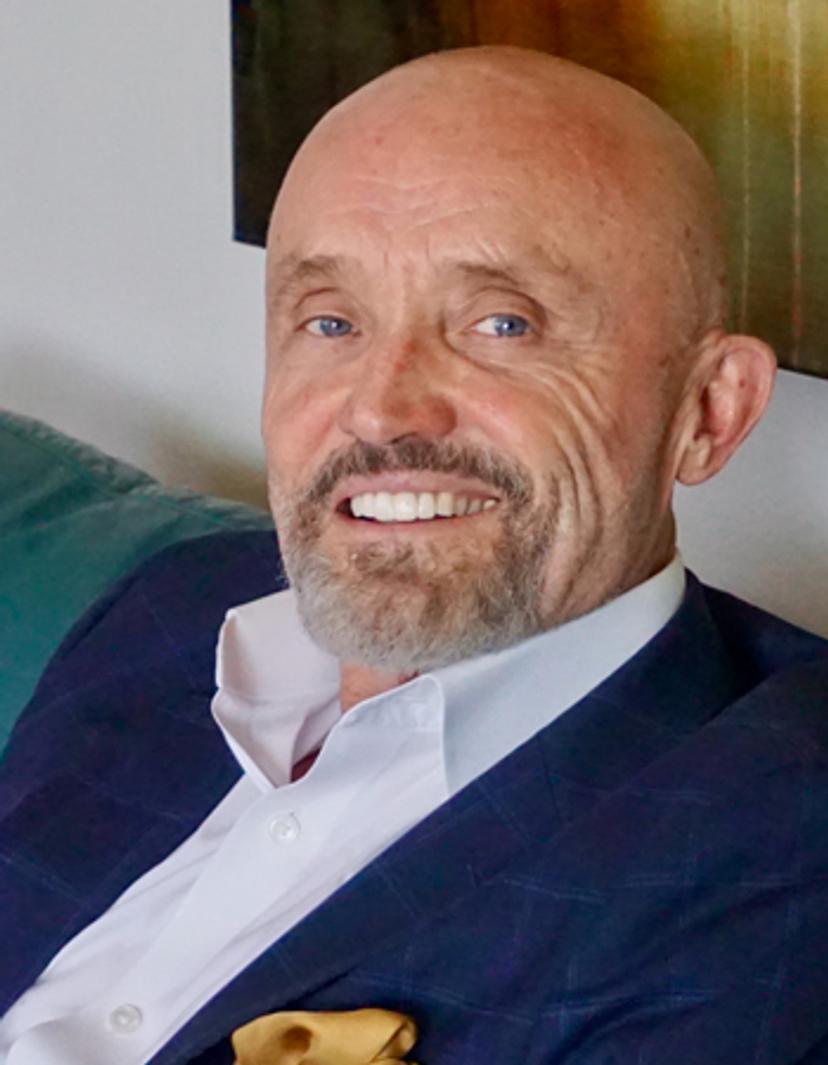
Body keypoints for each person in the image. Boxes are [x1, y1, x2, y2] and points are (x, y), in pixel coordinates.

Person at [2, 45, 828, 1065]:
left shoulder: (776, 845)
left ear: (708, 411)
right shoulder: (171, 611)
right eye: (331, 320)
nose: (382, 406)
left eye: (501, 324)